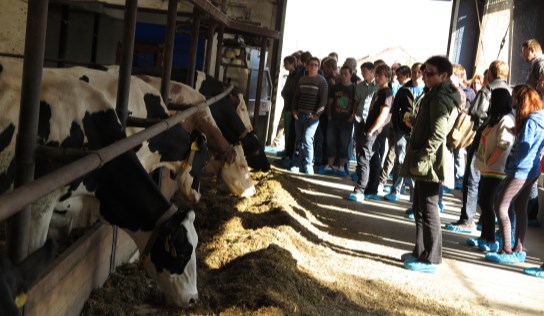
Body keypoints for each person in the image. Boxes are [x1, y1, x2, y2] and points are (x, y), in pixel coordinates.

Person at [400, 56, 460, 273]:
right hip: (428, 160)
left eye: (430, 72)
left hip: (432, 162)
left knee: (428, 208)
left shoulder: (440, 97)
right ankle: (420, 251)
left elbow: (438, 133)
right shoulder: (435, 94)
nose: (424, 75)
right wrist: (417, 122)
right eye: (424, 71)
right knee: (419, 207)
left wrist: (423, 156)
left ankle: (432, 259)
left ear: (443, 76)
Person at [445, 60, 511, 233]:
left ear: (491, 72)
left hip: (483, 137)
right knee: (491, 182)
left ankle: (467, 218)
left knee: (472, 178)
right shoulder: (509, 90)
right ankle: (485, 221)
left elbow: (476, 112)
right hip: (500, 142)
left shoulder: (488, 89)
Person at [485, 85, 544, 264]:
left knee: (500, 206)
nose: (513, 104)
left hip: (520, 171)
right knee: (520, 208)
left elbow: (525, 144)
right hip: (532, 171)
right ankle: (518, 248)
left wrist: (514, 162)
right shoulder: (540, 119)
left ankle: (507, 249)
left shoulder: (531, 122)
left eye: (516, 100)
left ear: (523, 103)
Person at [467, 88, 515, 252]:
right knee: (484, 202)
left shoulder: (507, 120)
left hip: (497, 170)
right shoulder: (495, 118)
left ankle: (491, 239)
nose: (490, 102)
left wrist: (489, 160)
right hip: (488, 168)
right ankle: (484, 236)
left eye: (493, 99)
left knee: (487, 203)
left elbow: (504, 144)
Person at [348, 64, 393, 201]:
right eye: (377, 75)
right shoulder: (378, 91)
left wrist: (372, 130)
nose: (377, 77)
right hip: (370, 129)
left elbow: (384, 114)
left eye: (380, 75)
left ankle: (360, 189)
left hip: (374, 132)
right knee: (373, 159)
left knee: (363, 158)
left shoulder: (386, 92)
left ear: (388, 77)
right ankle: (371, 189)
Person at [384, 63, 424, 201]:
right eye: (414, 72)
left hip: (418, 132)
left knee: (413, 163)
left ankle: (414, 196)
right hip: (402, 129)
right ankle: (396, 190)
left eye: (419, 72)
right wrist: (397, 126)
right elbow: (395, 110)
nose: (416, 75)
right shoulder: (404, 89)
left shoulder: (428, 91)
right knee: (399, 160)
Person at [291, 57, 328, 175]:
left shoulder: (321, 81)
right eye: (311, 64)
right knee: (300, 140)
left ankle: (308, 165)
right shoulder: (302, 79)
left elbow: (323, 100)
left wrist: (317, 114)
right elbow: (296, 96)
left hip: (312, 117)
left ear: (319, 67)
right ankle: (300, 164)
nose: (313, 67)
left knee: (307, 139)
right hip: (300, 114)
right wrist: (294, 110)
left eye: (316, 65)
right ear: (307, 66)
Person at [319, 65, 356, 176]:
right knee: (331, 142)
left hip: (347, 121)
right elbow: (330, 102)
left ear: (351, 74)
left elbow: (356, 103)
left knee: (344, 144)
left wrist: (352, 116)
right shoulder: (335, 87)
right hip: (333, 119)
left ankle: (341, 166)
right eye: (342, 73)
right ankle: (330, 165)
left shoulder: (354, 89)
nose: (343, 76)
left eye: (346, 74)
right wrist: (329, 115)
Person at [352, 62, 378, 181]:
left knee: (368, 147)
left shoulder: (378, 86)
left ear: (372, 72)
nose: (362, 73)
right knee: (358, 145)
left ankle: (368, 173)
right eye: (361, 71)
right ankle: (359, 169)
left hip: (370, 120)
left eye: (365, 71)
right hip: (359, 117)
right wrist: (353, 113)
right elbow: (356, 101)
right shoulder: (359, 85)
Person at [278, 55, 300, 167]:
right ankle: (287, 153)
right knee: (287, 132)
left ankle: (289, 156)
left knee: (291, 133)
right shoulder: (291, 75)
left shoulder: (297, 75)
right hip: (287, 106)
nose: (285, 65)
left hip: (292, 108)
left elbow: (293, 92)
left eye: (286, 63)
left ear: (291, 63)